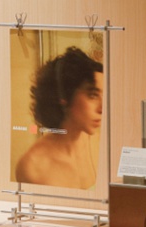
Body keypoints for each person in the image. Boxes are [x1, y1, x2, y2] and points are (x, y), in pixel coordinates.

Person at [15, 47, 103, 190]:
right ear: (65, 96)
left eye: (104, 96)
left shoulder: (99, 143)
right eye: (92, 95)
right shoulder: (33, 166)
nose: (102, 108)